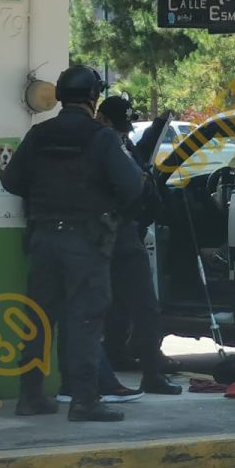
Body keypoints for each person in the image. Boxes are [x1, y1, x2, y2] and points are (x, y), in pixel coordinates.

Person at [0, 65, 143, 422]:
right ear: (93, 98)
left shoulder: (39, 134)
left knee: (38, 320)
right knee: (84, 320)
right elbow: (132, 185)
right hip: (84, 242)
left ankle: (30, 396)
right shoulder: (102, 137)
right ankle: (84, 400)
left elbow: (14, 181)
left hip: (43, 239)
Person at [93, 96, 182, 396]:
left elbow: (141, 154)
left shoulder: (123, 145)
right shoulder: (99, 142)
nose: (122, 133)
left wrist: (158, 127)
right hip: (104, 233)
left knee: (140, 306)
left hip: (125, 232)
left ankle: (150, 371)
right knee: (106, 308)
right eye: (118, 126)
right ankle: (117, 364)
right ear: (102, 119)